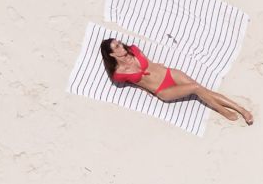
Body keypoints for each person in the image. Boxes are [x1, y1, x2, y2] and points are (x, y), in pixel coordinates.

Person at [101, 38, 253, 124]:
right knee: (195, 88)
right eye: (117, 46)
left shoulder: (133, 49)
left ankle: (241, 109)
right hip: (162, 90)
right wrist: (144, 88)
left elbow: (148, 62)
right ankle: (223, 110)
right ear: (112, 54)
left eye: (120, 43)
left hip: (169, 73)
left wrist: (155, 66)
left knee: (202, 88)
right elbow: (132, 82)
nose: (122, 45)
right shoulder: (119, 74)